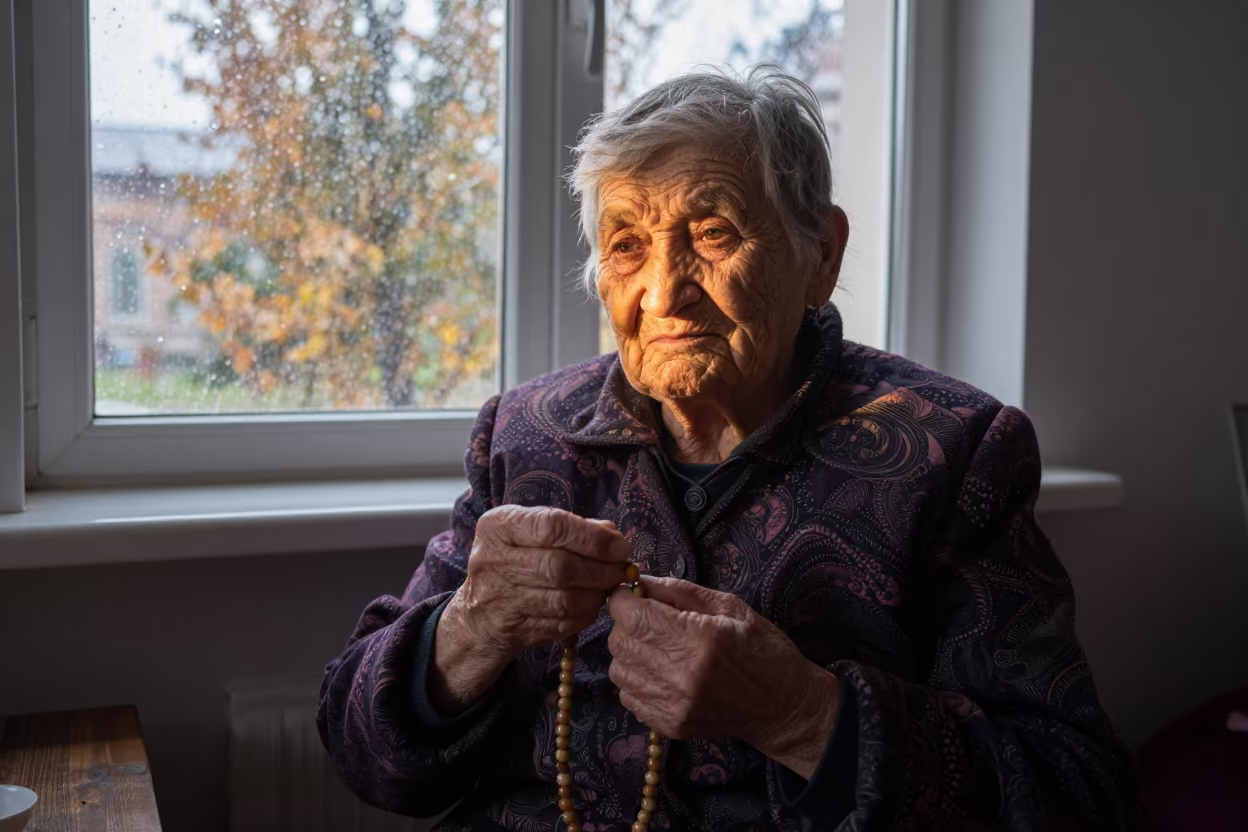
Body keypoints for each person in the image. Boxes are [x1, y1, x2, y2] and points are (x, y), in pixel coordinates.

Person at [318, 67, 1137, 830]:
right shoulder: (528, 436)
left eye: (712, 233)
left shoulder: (949, 451)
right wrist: (469, 628)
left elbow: (1076, 793)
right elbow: (363, 755)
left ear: (820, 254)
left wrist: (802, 716)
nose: (664, 291)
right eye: (628, 244)